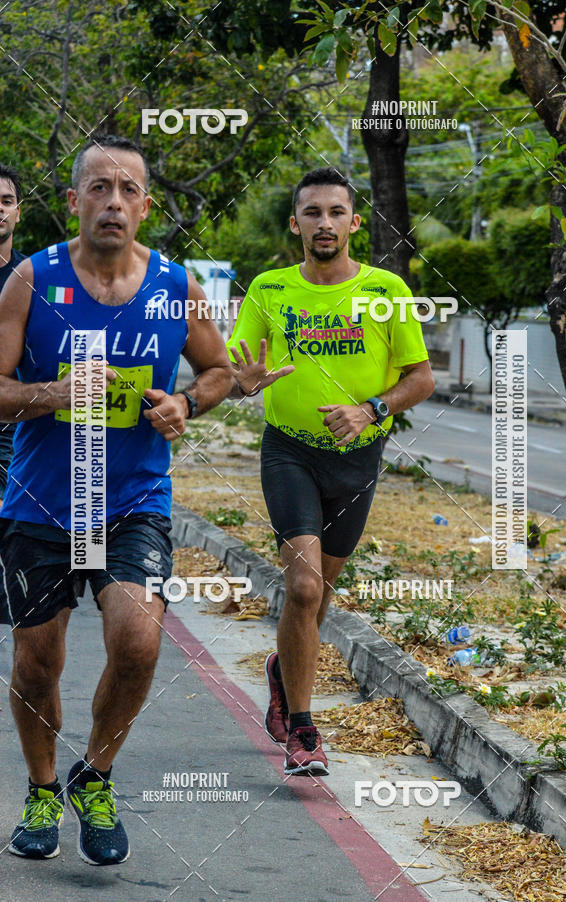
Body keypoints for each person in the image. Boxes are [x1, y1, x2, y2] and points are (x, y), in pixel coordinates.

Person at [0, 134, 233, 864]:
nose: (113, 201)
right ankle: (42, 790)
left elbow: (219, 370)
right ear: (74, 200)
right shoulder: (31, 281)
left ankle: (94, 777)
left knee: (137, 642)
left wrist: (187, 404)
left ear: (146, 205)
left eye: (128, 189)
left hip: (133, 499)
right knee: (37, 664)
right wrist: (53, 393)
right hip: (43, 500)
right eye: (98, 188)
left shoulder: (174, 286)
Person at [227, 167, 434, 777]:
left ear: (354, 222)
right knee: (303, 587)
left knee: (318, 596)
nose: (324, 223)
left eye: (335, 212)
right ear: (295, 224)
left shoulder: (385, 290)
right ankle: (303, 730)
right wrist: (244, 383)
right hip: (289, 451)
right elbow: (238, 374)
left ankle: (282, 670)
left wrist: (371, 410)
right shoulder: (269, 289)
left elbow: (421, 379)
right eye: (312, 212)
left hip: (358, 460)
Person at [0, 164, 27, 503]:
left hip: (13, 429)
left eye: (7, 201)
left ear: (18, 213)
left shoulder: (33, 278)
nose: (0, 209)